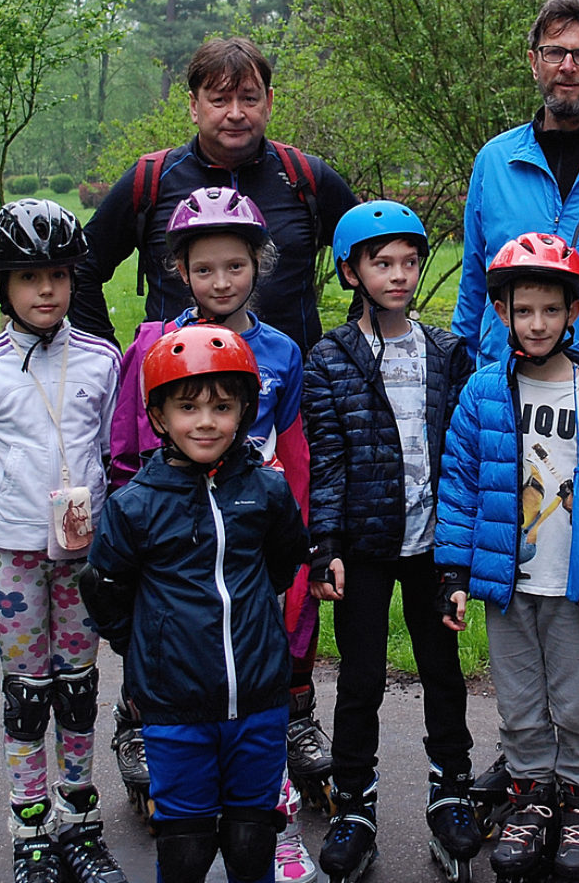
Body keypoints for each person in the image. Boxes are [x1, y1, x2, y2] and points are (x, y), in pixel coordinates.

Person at [104, 186, 323, 880]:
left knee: (252, 824)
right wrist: (141, 638)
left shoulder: (282, 353)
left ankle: (274, 825)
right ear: (180, 271)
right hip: (175, 633)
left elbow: (293, 470)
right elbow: (110, 565)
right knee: (189, 840)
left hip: (250, 543)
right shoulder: (155, 349)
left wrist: (271, 606)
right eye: (205, 268)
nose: (221, 281)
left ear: (260, 267)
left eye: (236, 266)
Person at [435, 232, 579, 883]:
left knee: (573, 704)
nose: (536, 323)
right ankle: (531, 801)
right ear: (502, 313)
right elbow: (459, 483)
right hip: (508, 586)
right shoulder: (484, 391)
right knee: (519, 706)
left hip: (574, 588)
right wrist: (453, 572)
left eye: (549, 309)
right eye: (522, 310)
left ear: (571, 311)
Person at [0, 200, 128, 883]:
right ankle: (31, 830)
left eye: (56, 275)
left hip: (86, 558)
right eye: (27, 278)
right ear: (2, 287)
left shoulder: (104, 360)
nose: (45, 290)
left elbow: (117, 458)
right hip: (12, 555)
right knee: (27, 692)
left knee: (78, 689)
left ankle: (80, 823)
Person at [80, 326, 309, 883]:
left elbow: (283, 562)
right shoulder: (135, 507)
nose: (205, 422)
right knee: (185, 844)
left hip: (259, 697)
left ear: (245, 411)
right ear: (158, 417)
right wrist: (144, 644)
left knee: (252, 836)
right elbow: (104, 585)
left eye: (222, 407)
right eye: (187, 407)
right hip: (174, 706)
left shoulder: (266, 491)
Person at [301, 201, 479, 883]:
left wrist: (459, 552)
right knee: (363, 678)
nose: (399, 275)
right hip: (365, 547)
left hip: (434, 544)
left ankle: (452, 789)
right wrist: (326, 545)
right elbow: (328, 460)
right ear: (351, 272)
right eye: (382, 263)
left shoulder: (443, 352)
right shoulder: (331, 358)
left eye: (409, 262)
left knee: (442, 670)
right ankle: (354, 805)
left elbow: (460, 457)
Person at [73, 36, 360, 356]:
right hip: (178, 392)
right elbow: (80, 268)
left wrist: (349, 351)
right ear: (195, 107)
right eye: (220, 100)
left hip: (291, 392)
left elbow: (375, 258)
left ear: (269, 103)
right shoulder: (151, 179)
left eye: (249, 99)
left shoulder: (306, 177)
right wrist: (104, 352)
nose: (235, 113)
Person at [450, 0, 579, 366]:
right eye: (554, 52)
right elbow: (474, 283)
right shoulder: (495, 161)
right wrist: (459, 376)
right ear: (534, 63)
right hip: (502, 383)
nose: (568, 66)